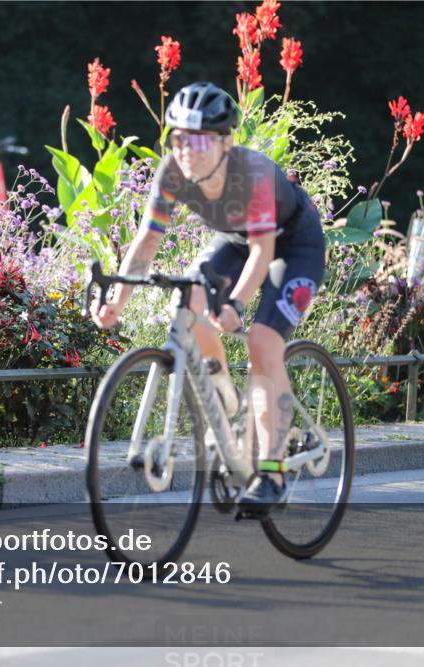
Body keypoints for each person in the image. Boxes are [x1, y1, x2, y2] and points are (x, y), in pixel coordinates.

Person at [90, 81, 326, 513]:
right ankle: (224, 398)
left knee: (262, 342)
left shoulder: (251, 174)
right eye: (179, 138)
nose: (188, 150)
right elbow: (145, 244)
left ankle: (272, 470)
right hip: (237, 241)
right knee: (187, 303)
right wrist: (117, 302)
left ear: (225, 142)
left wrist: (235, 302)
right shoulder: (172, 173)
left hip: (294, 246)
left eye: (200, 140)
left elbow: (264, 253)